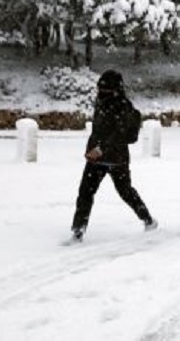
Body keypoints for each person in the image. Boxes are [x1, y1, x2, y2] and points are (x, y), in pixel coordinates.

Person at [70, 70, 156, 243]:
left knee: (125, 191)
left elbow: (119, 134)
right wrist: (93, 148)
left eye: (106, 89)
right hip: (97, 157)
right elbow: (98, 130)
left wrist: (100, 149)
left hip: (116, 158)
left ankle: (147, 218)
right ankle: (78, 230)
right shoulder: (101, 102)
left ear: (116, 89)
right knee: (85, 192)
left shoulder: (123, 106)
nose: (101, 92)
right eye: (100, 88)